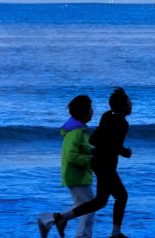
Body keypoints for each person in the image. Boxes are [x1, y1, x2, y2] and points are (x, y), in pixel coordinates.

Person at [52, 87, 133, 238]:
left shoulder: (107, 116)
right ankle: (115, 233)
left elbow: (93, 140)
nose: (131, 104)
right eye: (129, 102)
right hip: (106, 165)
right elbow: (114, 146)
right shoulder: (122, 124)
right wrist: (125, 152)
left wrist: (100, 150)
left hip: (98, 163)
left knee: (101, 201)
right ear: (123, 107)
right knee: (121, 196)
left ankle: (63, 218)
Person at [37, 94, 96, 238]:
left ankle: (48, 220)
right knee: (90, 206)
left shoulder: (80, 131)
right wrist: (90, 158)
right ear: (83, 112)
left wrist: (94, 151)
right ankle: (81, 235)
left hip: (79, 175)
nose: (92, 111)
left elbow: (83, 149)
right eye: (90, 108)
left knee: (82, 206)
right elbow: (71, 155)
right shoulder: (75, 132)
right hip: (76, 175)